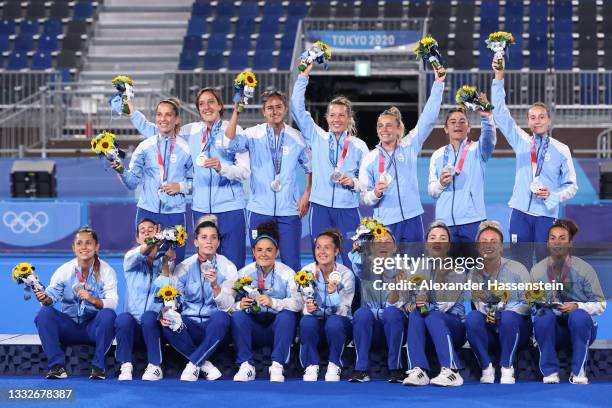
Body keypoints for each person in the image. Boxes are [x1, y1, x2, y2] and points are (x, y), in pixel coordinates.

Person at [126, 88, 250, 269]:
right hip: (201, 209)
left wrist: (222, 168)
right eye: (201, 104)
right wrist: (130, 107)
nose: (206, 107)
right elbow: (159, 129)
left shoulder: (234, 130)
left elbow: (244, 172)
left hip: (231, 208)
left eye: (211, 102)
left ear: (220, 106)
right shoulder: (190, 131)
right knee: (206, 266)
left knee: (234, 264)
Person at [491, 56, 578, 268]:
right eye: (532, 117)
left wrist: (553, 195)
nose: (536, 120)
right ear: (528, 121)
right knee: (518, 262)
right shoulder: (521, 141)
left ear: (548, 120)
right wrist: (498, 76)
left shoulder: (561, 150)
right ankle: (521, 300)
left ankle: (546, 299)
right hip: (519, 212)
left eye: (541, 117)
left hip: (546, 215)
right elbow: (501, 114)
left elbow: (572, 186)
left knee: (545, 262)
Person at [291, 63, 369, 266]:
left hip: (348, 209)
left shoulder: (359, 146)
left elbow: (368, 183)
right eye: (332, 115)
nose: (336, 119)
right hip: (320, 208)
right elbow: (297, 109)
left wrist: (354, 182)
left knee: (353, 258)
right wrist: (303, 77)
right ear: (326, 118)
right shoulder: (317, 136)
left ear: (349, 118)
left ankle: (355, 299)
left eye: (341, 115)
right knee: (322, 258)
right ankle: (319, 297)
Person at [225, 90, 312, 272]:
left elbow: (310, 167)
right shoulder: (253, 134)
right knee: (261, 261)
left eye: (278, 107)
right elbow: (230, 144)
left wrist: (307, 194)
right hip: (259, 209)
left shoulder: (297, 137)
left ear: (285, 109)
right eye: (269, 108)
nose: (274, 111)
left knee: (291, 263)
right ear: (264, 112)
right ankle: (260, 298)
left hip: (288, 211)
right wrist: (236, 112)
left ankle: (292, 300)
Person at [359, 65, 446, 243]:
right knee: (386, 269)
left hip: (412, 218)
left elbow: (428, 120)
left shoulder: (409, 146)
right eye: (380, 126)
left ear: (399, 129)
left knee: (413, 267)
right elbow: (364, 198)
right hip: (384, 224)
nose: (385, 129)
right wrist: (375, 193)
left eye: (389, 125)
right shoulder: (370, 159)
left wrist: (438, 84)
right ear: (376, 131)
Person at [112, 97, 192, 263]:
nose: (163, 119)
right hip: (147, 212)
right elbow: (132, 182)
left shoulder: (187, 148)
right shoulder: (145, 147)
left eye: (168, 115)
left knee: (175, 263)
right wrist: (120, 170)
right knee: (146, 262)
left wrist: (181, 186)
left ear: (176, 119)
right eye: (159, 114)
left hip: (174, 214)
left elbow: (197, 182)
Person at [34, 226, 117, 380]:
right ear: (73, 247)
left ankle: (98, 367)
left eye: (88, 243)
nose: (84, 247)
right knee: (44, 313)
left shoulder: (107, 271)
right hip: (68, 328)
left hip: (93, 329)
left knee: (109, 315)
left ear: (97, 246)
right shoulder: (64, 270)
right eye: (79, 243)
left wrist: (92, 299)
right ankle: (57, 367)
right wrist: (45, 299)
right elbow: (51, 297)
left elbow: (112, 303)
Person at [161, 218, 238, 381]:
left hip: (215, 328)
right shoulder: (184, 268)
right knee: (166, 318)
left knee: (222, 317)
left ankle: (193, 364)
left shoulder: (228, 267)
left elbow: (229, 306)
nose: (209, 241)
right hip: (190, 326)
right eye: (204, 237)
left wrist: (215, 285)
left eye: (213, 237)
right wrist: (167, 313)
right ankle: (205, 364)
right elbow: (174, 301)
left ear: (218, 242)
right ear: (196, 242)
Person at [531, 219, 606, 384]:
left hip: (580, 328)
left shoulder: (585, 269)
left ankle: (578, 372)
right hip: (553, 331)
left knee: (578, 316)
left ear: (570, 243)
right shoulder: (537, 271)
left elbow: (601, 304)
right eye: (553, 237)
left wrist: (577, 306)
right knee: (543, 316)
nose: (557, 242)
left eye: (562, 238)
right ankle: (550, 372)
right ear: (548, 243)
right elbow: (529, 303)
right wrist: (536, 300)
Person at [230, 221, 302, 382]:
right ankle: (246, 366)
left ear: (276, 252)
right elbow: (226, 303)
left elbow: (298, 304)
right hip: (253, 328)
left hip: (277, 329)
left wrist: (273, 302)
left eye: (269, 250)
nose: (264, 254)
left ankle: (277, 365)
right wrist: (238, 305)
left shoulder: (287, 273)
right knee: (238, 316)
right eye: (260, 250)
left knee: (287, 316)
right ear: (254, 253)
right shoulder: (244, 273)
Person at [465, 220, 532, 385]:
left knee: (508, 318)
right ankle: (486, 367)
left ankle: (507, 366)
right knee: (472, 317)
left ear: (502, 247)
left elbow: (528, 305)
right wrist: (487, 308)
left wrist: (502, 313)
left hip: (515, 328)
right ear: (477, 247)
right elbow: (479, 305)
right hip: (490, 328)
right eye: (484, 242)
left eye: (493, 242)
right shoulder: (474, 272)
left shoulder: (518, 269)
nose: (488, 245)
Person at [402, 221, 467, 387]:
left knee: (431, 316)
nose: (437, 241)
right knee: (416, 314)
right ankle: (419, 370)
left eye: (442, 238)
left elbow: (442, 305)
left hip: (453, 328)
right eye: (433, 237)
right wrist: (411, 304)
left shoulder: (457, 270)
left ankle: (452, 370)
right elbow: (407, 299)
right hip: (426, 327)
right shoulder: (416, 268)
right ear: (426, 243)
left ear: (448, 245)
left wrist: (421, 302)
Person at [115, 219, 173, 381]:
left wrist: (166, 261)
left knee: (149, 316)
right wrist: (158, 238)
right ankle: (125, 365)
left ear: (157, 232)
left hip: (153, 326)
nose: (146, 232)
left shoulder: (165, 261)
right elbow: (143, 251)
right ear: (138, 238)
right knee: (123, 319)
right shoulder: (131, 258)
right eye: (142, 230)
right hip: (133, 327)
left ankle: (155, 366)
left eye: (150, 229)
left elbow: (165, 289)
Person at [428, 104, 496, 243]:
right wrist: (440, 184)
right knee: (448, 265)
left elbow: (489, 138)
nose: (457, 125)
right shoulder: (437, 155)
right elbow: (432, 191)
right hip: (445, 225)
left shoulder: (479, 149)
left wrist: (486, 117)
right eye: (452, 122)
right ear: (446, 129)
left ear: (469, 127)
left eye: (462, 121)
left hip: (473, 221)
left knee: (474, 264)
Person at [348, 227, 408, 383]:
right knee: (361, 313)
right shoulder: (365, 265)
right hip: (371, 328)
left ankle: (396, 368)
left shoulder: (404, 268)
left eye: (387, 242)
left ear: (394, 247)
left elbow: (393, 306)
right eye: (378, 242)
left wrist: (396, 288)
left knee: (392, 313)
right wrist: (359, 246)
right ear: (372, 247)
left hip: (394, 326)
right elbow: (357, 263)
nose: (383, 245)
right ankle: (360, 369)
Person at [298, 229, 355, 381]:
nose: (321, 251)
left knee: (334, 322)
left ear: (336, 251)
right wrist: (309, 308)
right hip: (316, 323)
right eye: (318, 247)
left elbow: (343, 310)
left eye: (327, 247)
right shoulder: (305, 272)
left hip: (339, 325)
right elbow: (302, 303)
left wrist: (332, 294)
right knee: (306, 321)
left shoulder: (346, 274)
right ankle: (311, 365)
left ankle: (335, 364)